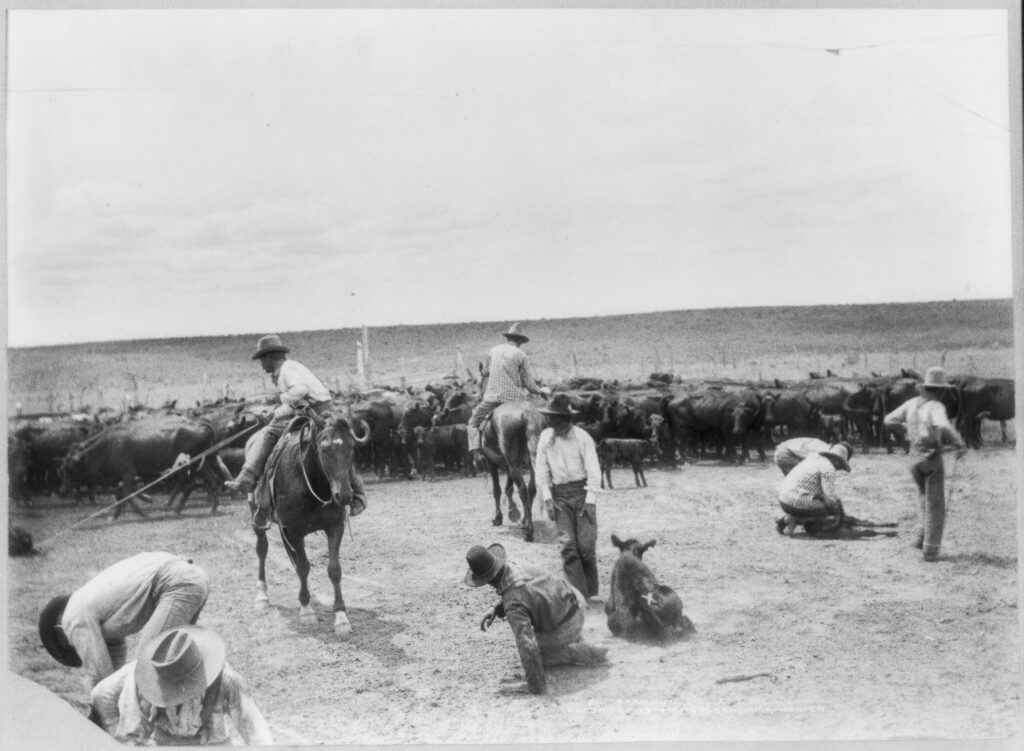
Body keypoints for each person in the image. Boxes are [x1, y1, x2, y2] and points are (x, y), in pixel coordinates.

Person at [224, 334, 366, 528]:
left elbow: (299, 390)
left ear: (268, 358)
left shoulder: (287, 370)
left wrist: (282, 401)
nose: (261, 366)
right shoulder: (289, 369)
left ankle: (248, 477)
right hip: (315, 411)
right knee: (338, 448)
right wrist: (278, 411)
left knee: (269, 433)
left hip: (319, 413)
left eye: (261, 361)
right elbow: (298, 400)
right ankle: (358, 495)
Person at [38, 552, 210, 689]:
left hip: (176, 583)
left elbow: (101, 679)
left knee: (144, 670)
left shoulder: (72, 618)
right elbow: (115, 672)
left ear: (59, 633)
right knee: (173, 668)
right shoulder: (97, 608)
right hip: (193, 577)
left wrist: (97, 708)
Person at [90, 625, 273, 745]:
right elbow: (102, 695)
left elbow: (258, 735)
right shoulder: (142, 676)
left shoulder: (226, 680)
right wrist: (115, 737)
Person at [464, 543, 607, 695]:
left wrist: (536, 688)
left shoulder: (513, 603)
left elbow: (528, 646)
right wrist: (496, 607)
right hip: (575, 601)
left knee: (540, 657)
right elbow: (528, 591)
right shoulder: (515, 565)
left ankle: (582, 651)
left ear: (487, 580)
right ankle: (576, 638)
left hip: (569, 622)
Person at [883, 366, 967, 562]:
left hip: (914, 458)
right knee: (935, 504)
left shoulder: (911, 403)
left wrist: (905, 429)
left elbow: (888, 420)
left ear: (924, 388)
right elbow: (943, 425)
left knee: (923, 497)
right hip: (931, 458)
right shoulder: (937, 406)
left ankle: (921, 539)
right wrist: (959, 442)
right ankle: (930, 551)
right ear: (941, 390)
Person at [534, 392, 603, 603]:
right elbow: (541, 470)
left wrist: (590, 501)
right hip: (559, 497)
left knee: (586, 548)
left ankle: (591, 592)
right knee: (567, 547)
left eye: (555, 418)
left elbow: (594, 471)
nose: (551, 422)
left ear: (567, 418)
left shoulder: (583, 438)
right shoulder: (545, 437)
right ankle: (579, 596)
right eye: (550, 417)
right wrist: (547, 498)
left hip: (582, 495)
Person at [466, 323, 550, 458]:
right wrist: (541, 391)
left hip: (493, 399)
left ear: (508, 338)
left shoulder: (494, 350)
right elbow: (529, 384)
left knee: (472, 423)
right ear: (521, 341)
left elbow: (486, 372)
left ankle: (476, 452)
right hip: (516, 400)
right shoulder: (521, 355)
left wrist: (483, 372)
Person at [776, 443, 853, 535]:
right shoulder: (828, 468)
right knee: (830, 510)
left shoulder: (813, 458)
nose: (839, 469)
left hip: (784, 499)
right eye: (840, 465)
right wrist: (839, 511)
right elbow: (830, 499)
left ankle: (789, 518)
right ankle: (796, 519)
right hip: (796, 502)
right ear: (836, 460)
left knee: (821, 503)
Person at [774, 437, 854, 476]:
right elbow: (810, 465)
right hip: (785, 454)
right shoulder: (821, 450)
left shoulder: (824, 447)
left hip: (784, 451)